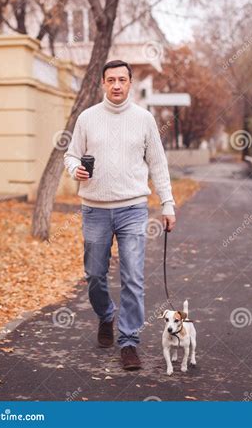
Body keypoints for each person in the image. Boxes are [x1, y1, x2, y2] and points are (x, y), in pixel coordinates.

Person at [63, 60, 176, 370]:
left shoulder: (144, 119)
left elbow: (158, 164)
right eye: (110, 79)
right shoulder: (88, 118)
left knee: (133, 278)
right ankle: (106, 315)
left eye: (122, 80)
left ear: (130, 83)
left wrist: (167, 203)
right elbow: (70, 155)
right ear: (102, 83)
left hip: (133, 208)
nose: (116, 85)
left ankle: (129, 342)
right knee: (95, 275)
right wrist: (76, 169)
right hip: (95, 209)